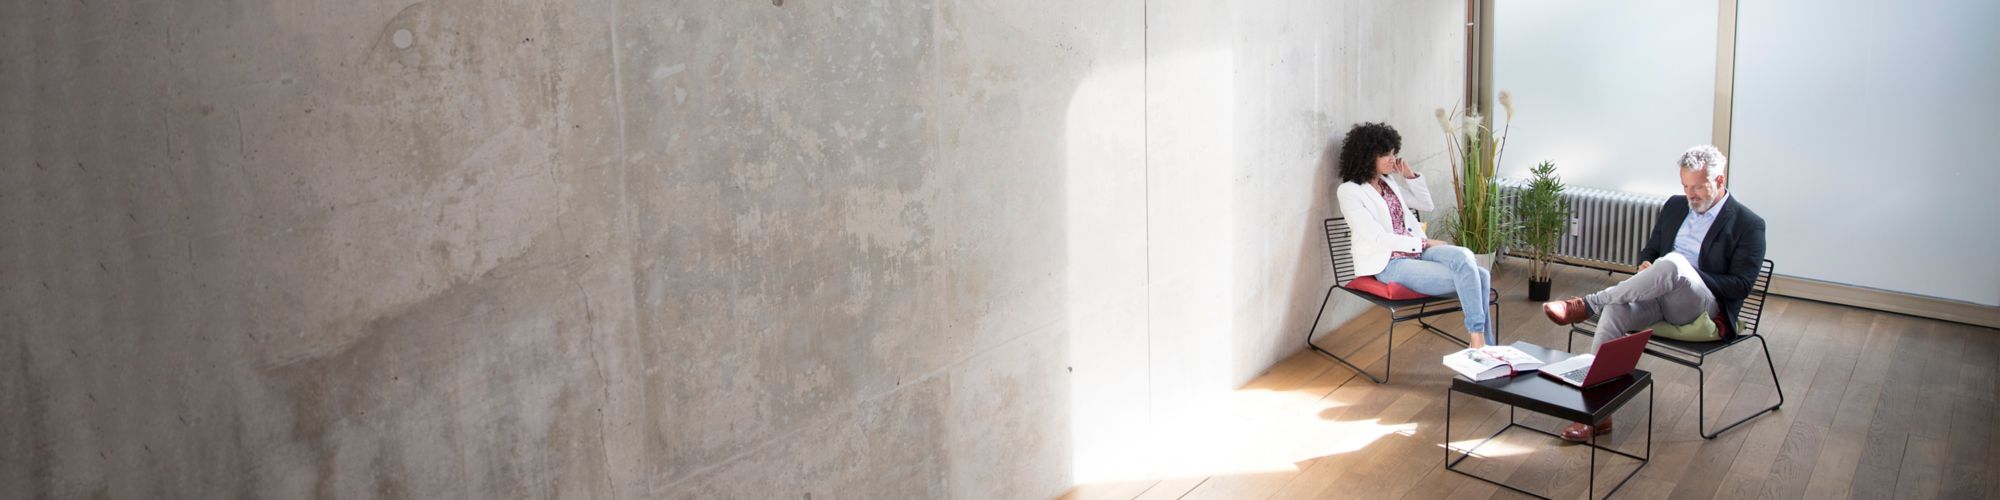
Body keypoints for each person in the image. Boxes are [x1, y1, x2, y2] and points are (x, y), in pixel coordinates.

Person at [1541, 144, 1767, 442]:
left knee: (1673, 263)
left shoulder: (1747, 224)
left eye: (1698, 187)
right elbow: (1651, 250)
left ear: (1720, 181)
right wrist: (1646, 264)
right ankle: (1598, 413)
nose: (1690, 194)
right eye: (1685, 186)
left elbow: (1741, 286)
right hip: (1659, 294)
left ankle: (1588, 304)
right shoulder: (1675, 205)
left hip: (1701, 305)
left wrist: (1683, 271)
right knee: (1617, 309)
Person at [1335, 122, 1497, 348]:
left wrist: (1409, 175)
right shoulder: (1350, 191)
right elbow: (1378, 238)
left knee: (1466, 257)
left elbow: (1425, 204)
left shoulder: (1388, 182)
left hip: (1417, 252)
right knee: (1477, 276)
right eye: (1385, 154)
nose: (1392, 159)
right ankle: (1481, 342)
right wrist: (1422, 243)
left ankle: (1480, 344)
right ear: (1367, 155)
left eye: (1394, 153)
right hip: (1390, 262)